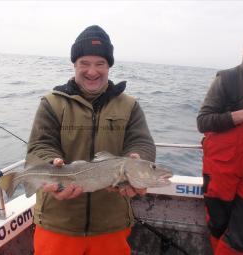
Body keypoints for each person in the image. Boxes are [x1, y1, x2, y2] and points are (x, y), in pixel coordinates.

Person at [25, 25, 156, 255]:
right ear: (74, 64)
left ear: (109, 66)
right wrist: (51, 161)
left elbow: (141, 143)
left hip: (111, 224)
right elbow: (39, 145)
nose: (92, 71)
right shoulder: (52, 103)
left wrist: (140, 158)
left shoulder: (130, 106)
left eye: (100, 64)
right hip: (58, 221)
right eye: (84, 63)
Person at [197, 26, 243, 255]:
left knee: (241, 236)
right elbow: (203, 121)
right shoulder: (227, 79)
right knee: (218, 226)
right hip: (221, 171)